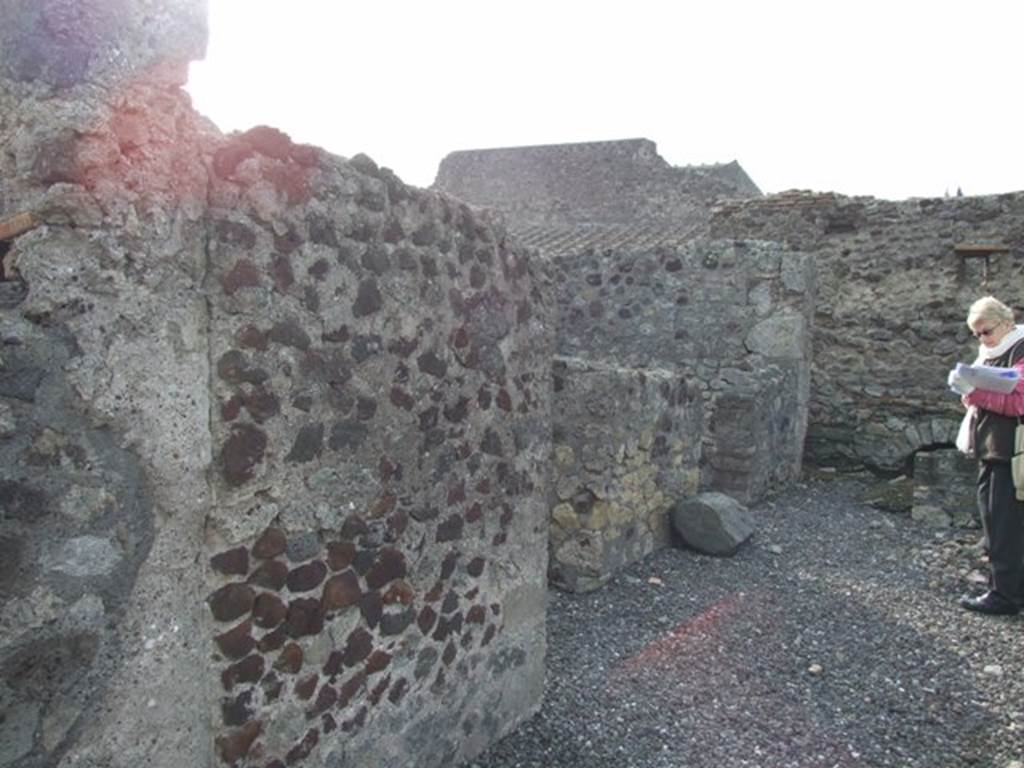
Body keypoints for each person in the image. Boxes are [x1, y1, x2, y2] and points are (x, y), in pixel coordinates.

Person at [951, 296, 1024, 615]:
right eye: (976, 334)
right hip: (992, 449)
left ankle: (1005, 595)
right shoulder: (992, 352)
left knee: (1004, 525)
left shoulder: (1020, 350)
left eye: (986, 331)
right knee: (997, 522)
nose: (981, 339)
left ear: (1006, 322)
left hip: (1010, 452)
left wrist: (974, 392)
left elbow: (1018, 402)